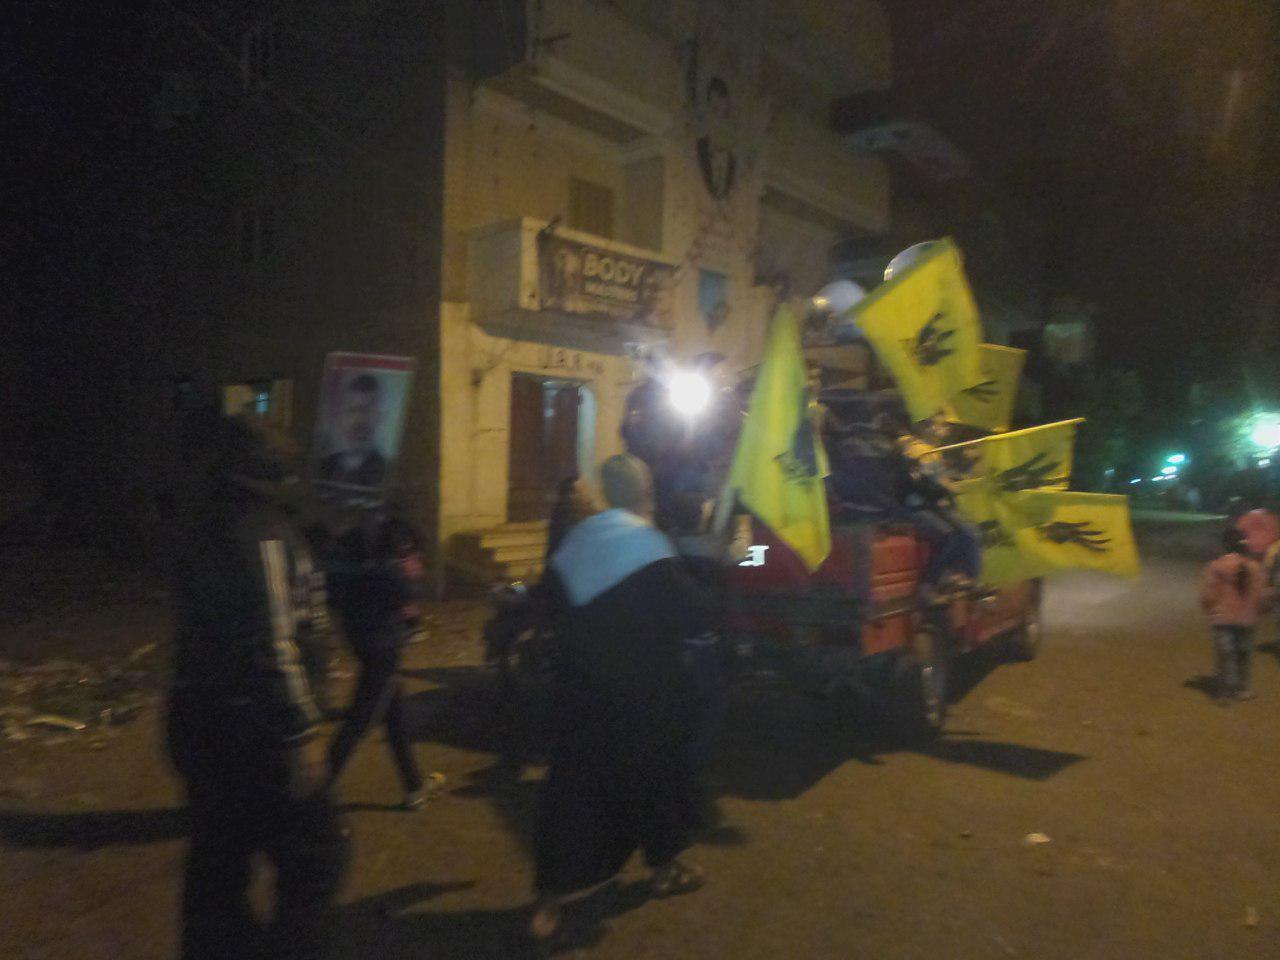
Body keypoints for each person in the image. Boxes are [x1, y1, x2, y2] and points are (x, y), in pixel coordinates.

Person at [167, 414, 348, 960]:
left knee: (219, 864)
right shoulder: (259, 533)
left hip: (204, 720)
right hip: (255, 730)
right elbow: (269, 642)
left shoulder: (209, 524)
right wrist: (301, 734)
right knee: (318, 858)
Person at [529, 455, 717, 946]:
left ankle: (550, 898)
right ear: (645, 492)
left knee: (572, 789)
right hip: (644, 693)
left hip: (580, 692)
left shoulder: (577, 541)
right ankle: (664, 869)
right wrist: (728, 569)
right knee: (654, 779)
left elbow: (548, 604)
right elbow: (694, 612)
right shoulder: (648, 545)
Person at [324, 512, 434, 809]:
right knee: (360, 721)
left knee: (395, 718)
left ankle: (414, 786)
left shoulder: (365, 556)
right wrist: (411, 577)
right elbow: (407, 595)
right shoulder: (388, 564)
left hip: (367, 640)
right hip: (382, 647)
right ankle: (318, 788)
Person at [1200, 527, 1269, 704]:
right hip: (1246, 619)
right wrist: (1258, 611)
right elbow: (1260, 595)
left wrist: (1209, 609)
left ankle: (1223, 692)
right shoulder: (1254, 567)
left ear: (1225, 545)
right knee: (1243, 654)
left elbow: (1208, 594)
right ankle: (1242, 689)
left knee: (1224, 656)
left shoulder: (1215, 566)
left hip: (1222, 617)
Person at [320, 373, 387, 488]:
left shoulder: (388, 473)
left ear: (379, 417)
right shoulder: (323, 466)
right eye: (351, 410)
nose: (358, 419)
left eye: (366, 410)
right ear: (341, 416)